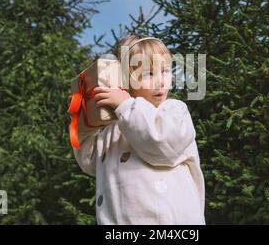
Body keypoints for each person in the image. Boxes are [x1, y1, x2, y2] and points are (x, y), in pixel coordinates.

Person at [73, 35, 205, 224]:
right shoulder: (112, 127)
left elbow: (161, 145)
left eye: (165, 71)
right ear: (124, 80)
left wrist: (126, 104)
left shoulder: (173, 111)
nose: (160, 81)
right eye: (148, 74)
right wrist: (86, 120)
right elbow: (89, 161)